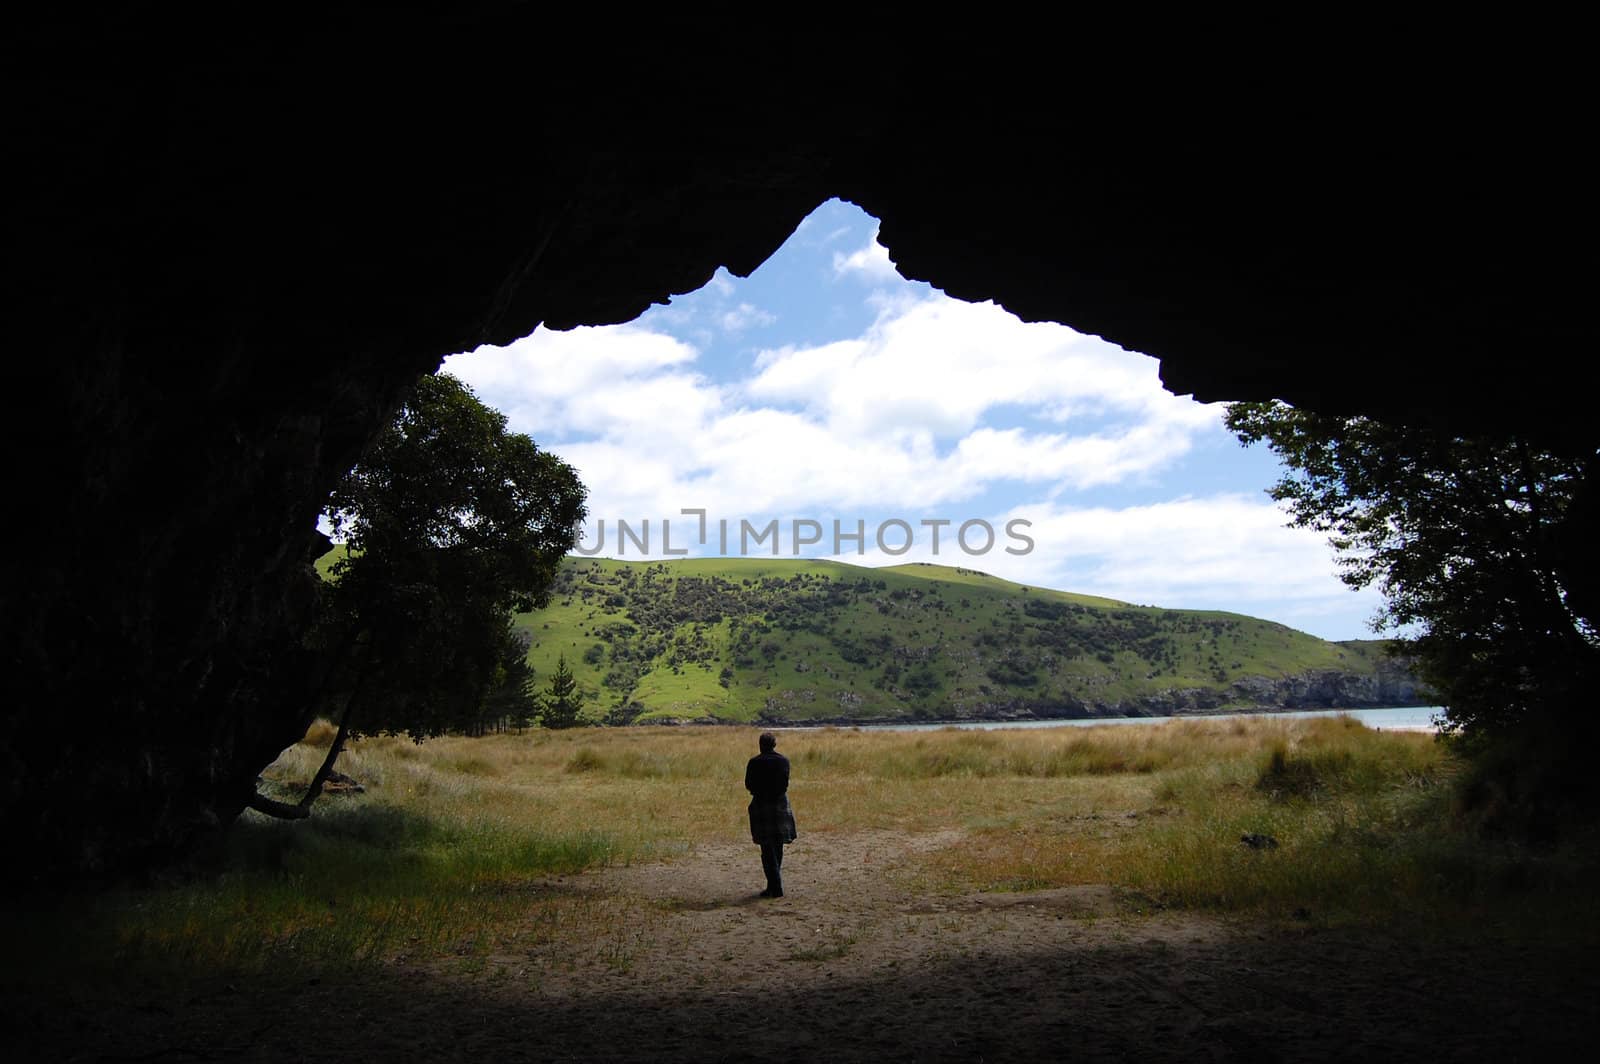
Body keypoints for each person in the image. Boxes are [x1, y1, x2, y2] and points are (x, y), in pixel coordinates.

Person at [744, 731, 797, 898]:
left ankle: (775, 886)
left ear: (761, 744)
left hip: (761, 804)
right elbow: (785, 784)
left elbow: (749, 784)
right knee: (778, 844)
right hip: (780, 804)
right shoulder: (784, 761)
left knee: (767, 847)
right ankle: (774, 884)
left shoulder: (754, 762)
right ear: (775, 744)